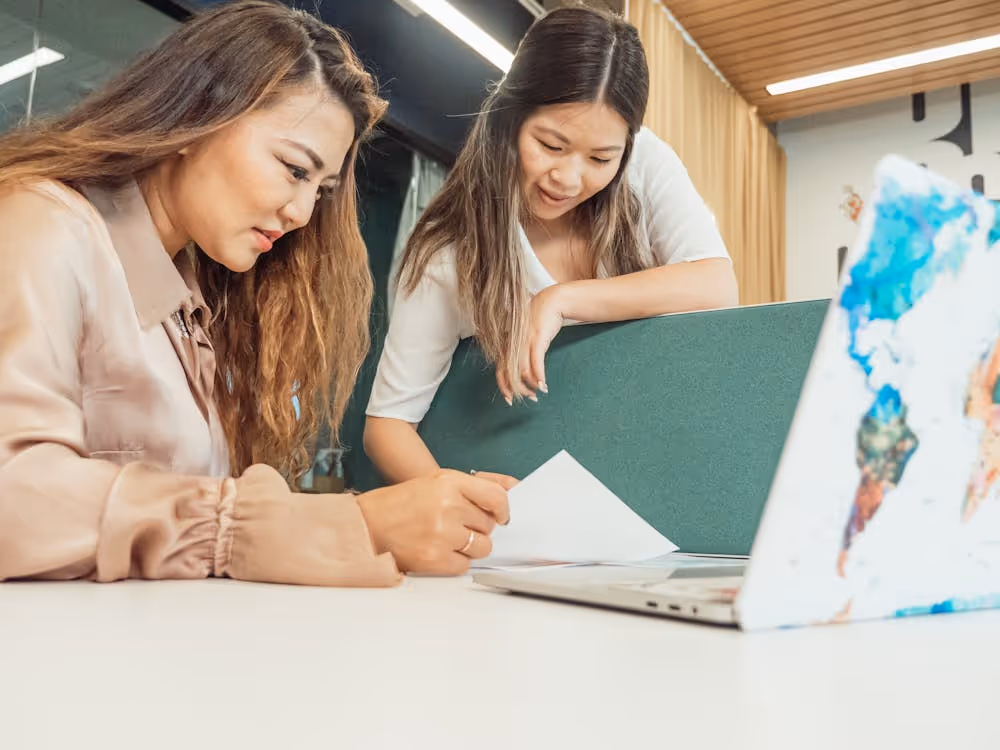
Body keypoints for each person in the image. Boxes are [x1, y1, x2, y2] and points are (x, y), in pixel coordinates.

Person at [0, 0, 509, 585]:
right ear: (196, 116)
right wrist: (346, 522)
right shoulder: (41, 226)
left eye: (321, 190)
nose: (300, 213)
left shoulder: (197, 307)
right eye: (295, 169)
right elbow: (13, 492)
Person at [364, 6, 739, 485]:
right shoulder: (452, 253)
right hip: (521, 490)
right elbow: (388, 425)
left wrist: (561, 299)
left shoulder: (644, 163)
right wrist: (455, 499)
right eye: (551, 145)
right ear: (510, 119)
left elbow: (716, 284)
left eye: (601, 158)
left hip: (659, 469)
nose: (568, 178)